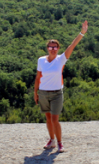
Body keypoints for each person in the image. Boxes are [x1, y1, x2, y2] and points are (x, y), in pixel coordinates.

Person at [34, 20, 88, 153]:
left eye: (55, 47)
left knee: (55, 119)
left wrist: (82, 33)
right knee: (48, 119)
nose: (53, 49)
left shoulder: (61, 59)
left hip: (57, 93)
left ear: (58, 49)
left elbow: (72, 45)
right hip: (43, 93)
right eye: (50, 47)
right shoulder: (41, 60)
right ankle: (51, 140)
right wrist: (35, 93)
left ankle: (59, 143)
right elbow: (38, 77)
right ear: (47, 48)